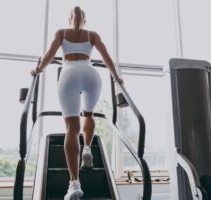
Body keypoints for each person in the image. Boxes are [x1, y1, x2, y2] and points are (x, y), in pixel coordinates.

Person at [30, 6, 123, 200]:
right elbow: (106, 58)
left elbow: (49, 55)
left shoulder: (61, 33)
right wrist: (117, 78)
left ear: (69, 18)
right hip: (91, 74)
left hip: (69, 73)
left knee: (71, 128)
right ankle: (87, 149)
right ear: (85, 19)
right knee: (88, 114)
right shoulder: (93, 35)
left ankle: (74, 183)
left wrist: (37, 70)